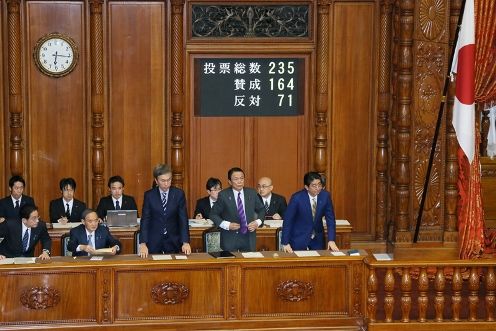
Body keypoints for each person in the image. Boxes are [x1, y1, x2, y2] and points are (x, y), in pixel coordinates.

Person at [138, 164, 190, 257]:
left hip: (173, 240)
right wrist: (143, 243)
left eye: (169, 180)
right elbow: (145, 220)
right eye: (163, 180)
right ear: (156, 181)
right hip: (154, 240)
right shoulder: (149, 196)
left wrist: (185, 242)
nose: (166, 183)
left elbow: (183, 219)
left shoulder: (178, 194)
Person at [281, 171, 339, 253]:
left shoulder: (325, 196)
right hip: (298, 238)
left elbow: (330, 219)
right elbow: (288, 221)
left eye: (319, 184)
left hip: (317, 239)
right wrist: (285, 242)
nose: (318, 188)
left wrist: (331, 240)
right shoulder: (297, 198)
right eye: (314, 186)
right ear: (306, 187)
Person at [210, 167, 265, 252]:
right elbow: (213, 214)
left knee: (248, 264)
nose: (239, 181)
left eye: (241, 178)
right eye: (236, 179)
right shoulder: (223, 195)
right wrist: (226, 225)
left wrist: (258, 222)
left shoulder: (252, 193)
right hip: (230, 238)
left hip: (248, 238)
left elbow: (262, 209)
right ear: (229, 182)